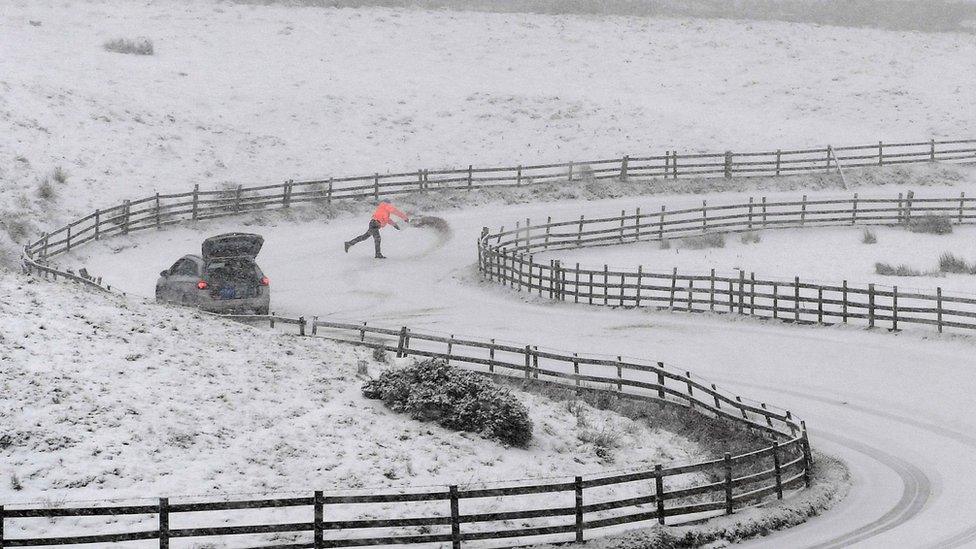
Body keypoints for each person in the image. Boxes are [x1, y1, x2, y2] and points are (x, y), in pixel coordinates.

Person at [344, 202, 410, 259]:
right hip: (375, 224)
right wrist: (405, 218)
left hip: (373, 223)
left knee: (365, 237)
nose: (391, 206)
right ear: (388, 203)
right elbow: (397, 212)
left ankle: (349, 243)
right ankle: (378, 254)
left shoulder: (382, 209)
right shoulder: (387, 206)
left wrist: (394, 225)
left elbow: (387, 219)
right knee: (377, 238)